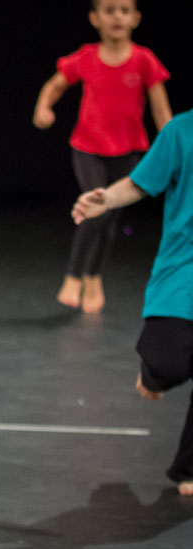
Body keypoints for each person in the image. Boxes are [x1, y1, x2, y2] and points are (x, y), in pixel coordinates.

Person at [72, 109, 193, 496]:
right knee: (167, 361)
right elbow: (142, 182)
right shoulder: (182, 131)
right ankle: (155, 374)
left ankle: (189, 468)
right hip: (184, 269)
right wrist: (106, 199)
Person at [33, 0, 172, 313]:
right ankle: (74, 276)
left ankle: (93, 276)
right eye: (110, 10)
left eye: (124, 10)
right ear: (95, 18)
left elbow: (160, 110)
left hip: (128, 150)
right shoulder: (87, 57)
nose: (117, 17)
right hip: (89, 148)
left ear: (136, 17)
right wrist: (43, 107)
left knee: (110, 218)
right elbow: (55, 84)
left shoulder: (144, 60)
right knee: (96, 207)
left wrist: (173, 145)